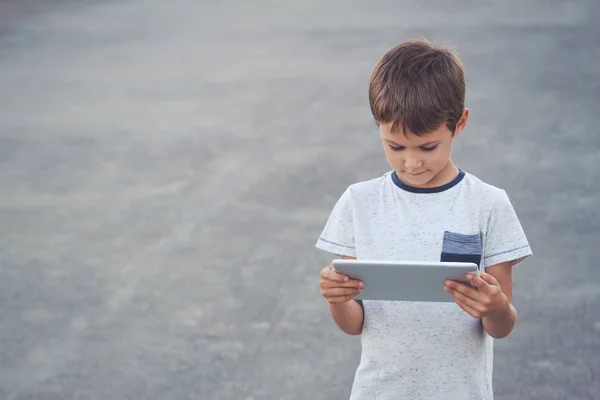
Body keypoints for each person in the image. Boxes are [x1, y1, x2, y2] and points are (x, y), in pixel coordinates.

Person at [315, 38, 532, 400]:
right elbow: (355, 325)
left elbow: (501, 326)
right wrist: (336, 298)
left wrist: (495, 307)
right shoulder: (360, 202)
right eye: (395, 146)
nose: (411, 162)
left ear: (459, 123)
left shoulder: (488, 204)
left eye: (427, 146)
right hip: (378, 391)